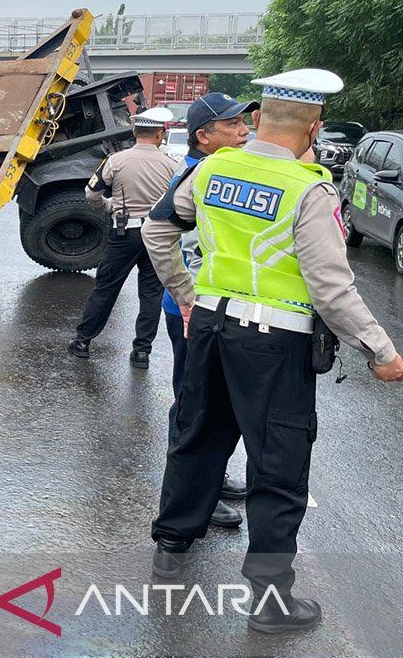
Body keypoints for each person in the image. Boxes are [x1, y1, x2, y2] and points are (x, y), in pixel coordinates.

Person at [142, 69, 403, 634]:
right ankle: (268, 601)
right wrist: (380, 351)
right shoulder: (309, 188)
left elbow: (157, 230)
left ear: (257, 121)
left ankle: (170, 549)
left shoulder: (213, 168)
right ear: (315, 127)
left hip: (208, 330)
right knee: (279, 467)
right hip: (274, 343)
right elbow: (331, 286)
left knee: (198, 435)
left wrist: (189, 299)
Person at [160, 93, 257, 530]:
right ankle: (192, 490)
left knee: (210, 400)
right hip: (192, 311)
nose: (244, 132)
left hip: (208, 308)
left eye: (244, 123)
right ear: (204, 135)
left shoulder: (217, 172)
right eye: (234, 126)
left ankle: (210, 478)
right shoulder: (199, 175)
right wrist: (185, 298)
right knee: (191, 402)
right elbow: (165, 239)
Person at [68, 107, 178, 368]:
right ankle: (142, 353)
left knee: (106, 289)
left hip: (124, 233)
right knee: (151, 295)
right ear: (161, 134)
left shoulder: (115, 161)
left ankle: (83, 342)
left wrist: (111, 206)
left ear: (133, 132)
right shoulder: (173, 165)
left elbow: (91, 195)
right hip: (158, 236)